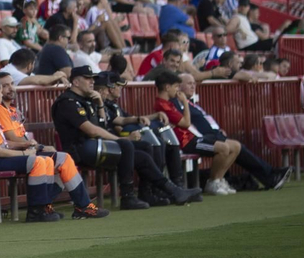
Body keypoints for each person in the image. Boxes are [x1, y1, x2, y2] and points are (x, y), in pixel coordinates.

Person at [52, 65, 200, 210]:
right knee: (126, 145)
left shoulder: (89, 99)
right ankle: (128, 196)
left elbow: (102, 126)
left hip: (94, 145)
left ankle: (161, 191)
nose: (92, 82)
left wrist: (100, 104)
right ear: (76, 82)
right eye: (87, 79)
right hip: (79, 150)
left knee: (143, 152)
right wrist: (119, 140)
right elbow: (91, 130)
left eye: (93, 79)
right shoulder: (68, 102)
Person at [0, 75, 107, 222]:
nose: (3, 93)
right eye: (1, 90)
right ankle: (36, 211)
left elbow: (4, 143)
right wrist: (25, 152)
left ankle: (74, 207)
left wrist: (27, 145)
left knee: (59, 159)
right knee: (40, 161)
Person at [152, 69, 288, 194]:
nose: (193, 86)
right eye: (186, 84)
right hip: (188, 140)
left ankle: (219, 180)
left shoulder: (177, 102)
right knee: (224, 148)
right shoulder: (170, 103)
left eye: (194, 83)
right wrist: (186, 104)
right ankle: (214, 182)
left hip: (199, 136)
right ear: (171, 87)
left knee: (236, 146)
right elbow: (187, 123)